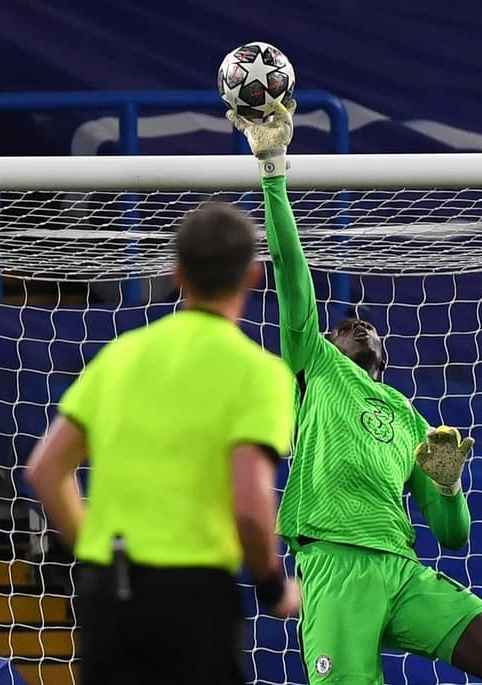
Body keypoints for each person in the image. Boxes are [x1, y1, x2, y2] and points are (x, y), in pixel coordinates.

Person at [228, 101, 482, 685]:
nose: (357, 324)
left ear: (384, 359)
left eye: (365, 326)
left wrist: (449, 482)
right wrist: (273, 172)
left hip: (404, 570)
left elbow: (454, 536)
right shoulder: (314, 366)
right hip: (337, 562)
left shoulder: (411, 420)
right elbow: (294, 277)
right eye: (343, 324)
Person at [26, 202, 300, 685]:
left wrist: (94, 554)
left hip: (108, 593)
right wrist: (273, 586)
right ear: (254, 276)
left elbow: (46, 471)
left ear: (177, 273)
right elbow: (251, 507)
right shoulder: (258, 373)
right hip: (192, 596)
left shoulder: (122, 354)